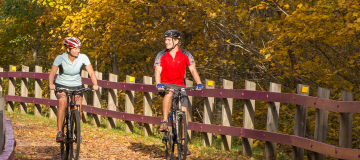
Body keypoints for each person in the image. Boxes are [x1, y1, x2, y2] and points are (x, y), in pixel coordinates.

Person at [154, 30, 203, 155]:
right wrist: (158, 84)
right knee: (169, 93)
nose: (166, 42)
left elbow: (193, 70)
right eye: (165, 40)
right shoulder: (161, 55)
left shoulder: (186, 54)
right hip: (166, 85)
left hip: (180, 86)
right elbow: (157, 71)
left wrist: (199, 83)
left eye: (169, 40)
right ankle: (165, 121)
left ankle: (183, 144)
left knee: (184, 112)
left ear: (176, 41)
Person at [49, 37, 99, 142]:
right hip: (61, 85)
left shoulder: (83, 57)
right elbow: (52, 73)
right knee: (62, 104)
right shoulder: (60, 58)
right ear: (68, 49)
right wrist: (51, 84)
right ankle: (59, 132)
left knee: (78, 108)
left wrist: (95, 84)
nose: (78, 51)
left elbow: (91, 72)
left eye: (78, 48)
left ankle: (77, 130)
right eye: (75, 48)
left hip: (76, 86)